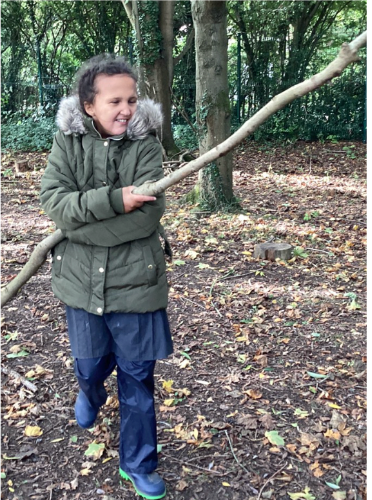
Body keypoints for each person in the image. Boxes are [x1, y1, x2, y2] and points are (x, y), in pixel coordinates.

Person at [40, 54, 173, 500]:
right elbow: (54, 202)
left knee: (137, 377)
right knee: (89, 364)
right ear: (88, 104)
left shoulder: (148, 145)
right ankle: (90, 392)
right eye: (115, 100)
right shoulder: (66, 141)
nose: (127, 109)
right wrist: (116, 199)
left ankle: (139, 464)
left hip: (137, 283)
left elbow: (146, 221)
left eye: (132, 99)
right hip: (79, 283)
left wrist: (83, 223)